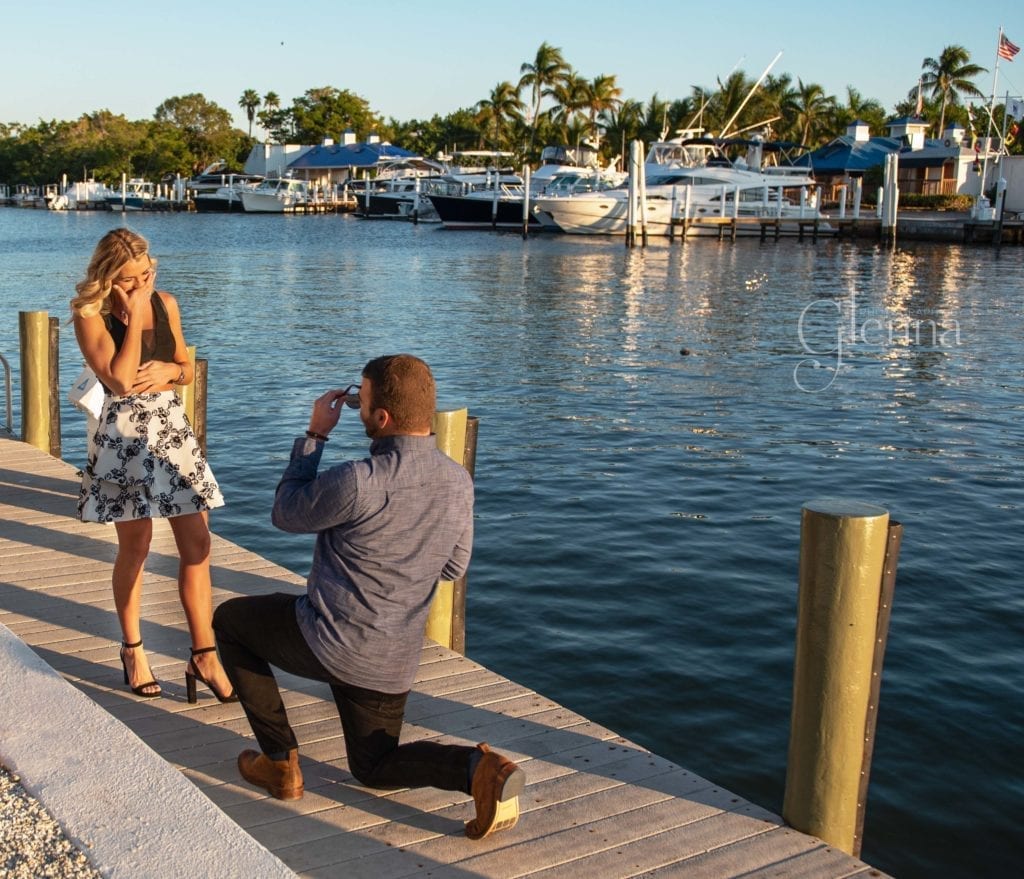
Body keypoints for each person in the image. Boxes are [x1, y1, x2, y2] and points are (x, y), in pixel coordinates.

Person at [213, 354, 525, 839]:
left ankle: (280, 765)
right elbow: (453, 567)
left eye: (362, 400)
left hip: (329, 640)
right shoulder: (457, 482)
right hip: (391, 658)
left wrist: (315, 435)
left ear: (380, 418)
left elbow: (286, 512)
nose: (356, 408)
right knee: (374, 767)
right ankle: (475, 769)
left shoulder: (358, 479)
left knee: (231, 622)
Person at [71, 228, 236, 704]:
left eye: (147, 274)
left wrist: (171, 372)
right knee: (137, 547)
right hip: (124, 440)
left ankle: (204, 654)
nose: (143, 283)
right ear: (108, 278)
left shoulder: (167, 302)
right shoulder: (89, 315)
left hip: (170, 431)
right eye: (130, 278)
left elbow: (186, 366)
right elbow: (120, 380)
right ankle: (133, 649)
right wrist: (136, 309)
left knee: (198, 543)